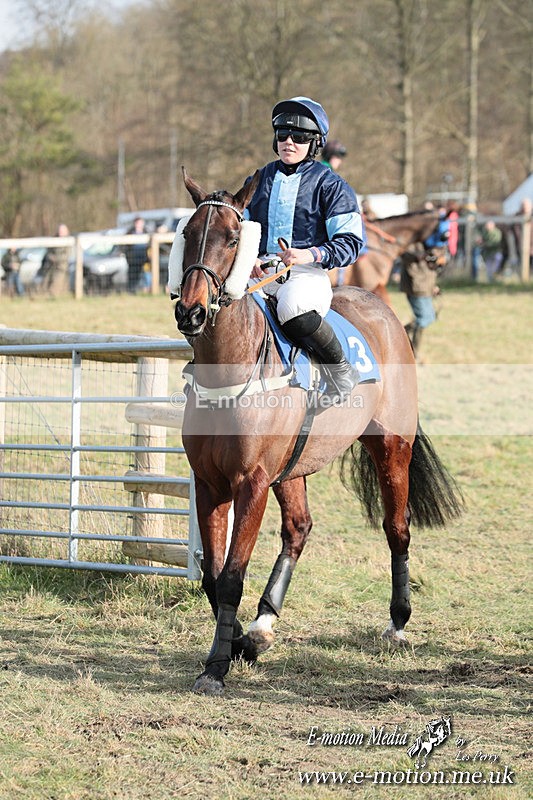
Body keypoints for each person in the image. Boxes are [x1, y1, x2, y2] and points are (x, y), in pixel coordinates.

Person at [247, 96, 365, 401]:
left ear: (314, 143)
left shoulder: (331, 185)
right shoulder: (258, 180)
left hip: (305, 273)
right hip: (258, 271)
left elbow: (351, 242)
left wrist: (309, 253)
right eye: (282, 135)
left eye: (298, 137)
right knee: (217, 304)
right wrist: (247, 260)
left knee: (292, 309)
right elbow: (241, 228)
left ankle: (340, 371)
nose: (289, 142)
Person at [400, 245, 441, 358]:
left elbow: (430, 267)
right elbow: (407, 256)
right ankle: (413, 353)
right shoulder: (412, 242)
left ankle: (399, 333)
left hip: (426, 288)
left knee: (430, 317)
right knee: (423, 319)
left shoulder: (428, 242)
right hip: (416, 289)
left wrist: (433, 286)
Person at [39, 223, 72, 297]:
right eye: (60, 231)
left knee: (56, 286)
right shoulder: (54, 239)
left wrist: (56, 259)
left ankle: (55, 298)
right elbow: (48, 251)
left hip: (61, 267)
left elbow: (67, 255)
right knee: (45, 284)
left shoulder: (69, 241)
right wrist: (51, 257)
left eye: (62, 231)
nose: (60, 232)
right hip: (50, 266)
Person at [124, 216, 149, 294]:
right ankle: (131, 291)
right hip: (133, 259)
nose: (139, 224)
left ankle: (146, 291)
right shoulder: (129, 232)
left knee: (146, 276)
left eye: (140, 223)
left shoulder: (146, 232)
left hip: (144, 259)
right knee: (133, 277)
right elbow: (125, 247)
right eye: (138, 223)